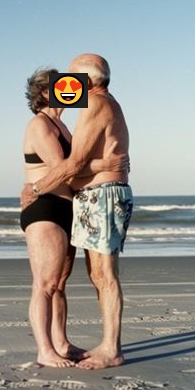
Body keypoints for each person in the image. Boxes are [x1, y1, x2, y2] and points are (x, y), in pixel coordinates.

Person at [22, 54, 132, 370]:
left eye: (72, 78)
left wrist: (36, 187)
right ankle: (52, 347)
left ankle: (103, 348)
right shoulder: (45, 122)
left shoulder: (91, 106)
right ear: (48, 92)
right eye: (63, 81)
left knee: (96, 276)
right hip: (56, 205)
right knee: (53, 282)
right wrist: (35, 189)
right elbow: (69, 166)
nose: (69, 85)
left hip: (87, 200)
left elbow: (74, 165)